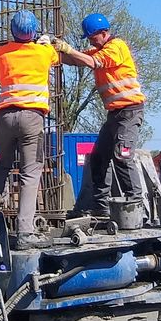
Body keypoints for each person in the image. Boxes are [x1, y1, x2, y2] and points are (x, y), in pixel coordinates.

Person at [53, 13, 145, 217]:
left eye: (92, 37)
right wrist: (51, 51)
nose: (91, 41)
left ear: (103, 33)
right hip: (114, 115)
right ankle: (101, 207)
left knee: (122, 155)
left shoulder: (116, 47)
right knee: (98, 158)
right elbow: (76, 60)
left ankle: (134, 207)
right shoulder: (98, 49)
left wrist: (66, 47)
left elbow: (93, 62)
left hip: (130, 112)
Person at [0, 10, 60, 250]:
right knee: (30, 174)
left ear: (12, 31)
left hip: (5, 117)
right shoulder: (43, 51)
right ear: (35, 32)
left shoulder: (0, 53)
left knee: (1, 168)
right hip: (33, 118)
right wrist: (46, 42)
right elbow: (55, 57)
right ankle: (25, 232)